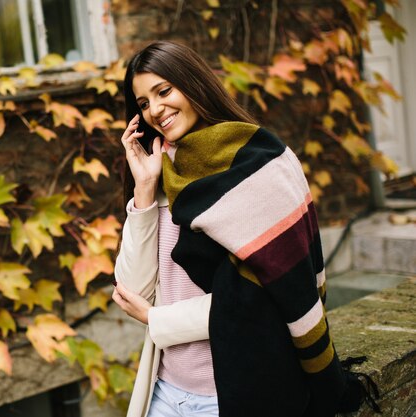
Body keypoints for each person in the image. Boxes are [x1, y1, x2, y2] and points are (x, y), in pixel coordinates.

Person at [112, 41, 371, 417]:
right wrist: (144, 193)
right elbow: (133, 290)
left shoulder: (259, 162)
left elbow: (266, 298)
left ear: (193, 83)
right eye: (143, 103)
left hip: (234, 393)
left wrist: (158, 320)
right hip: (164, 391)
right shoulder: (161, 170)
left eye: (163, 91)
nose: (155, 110)